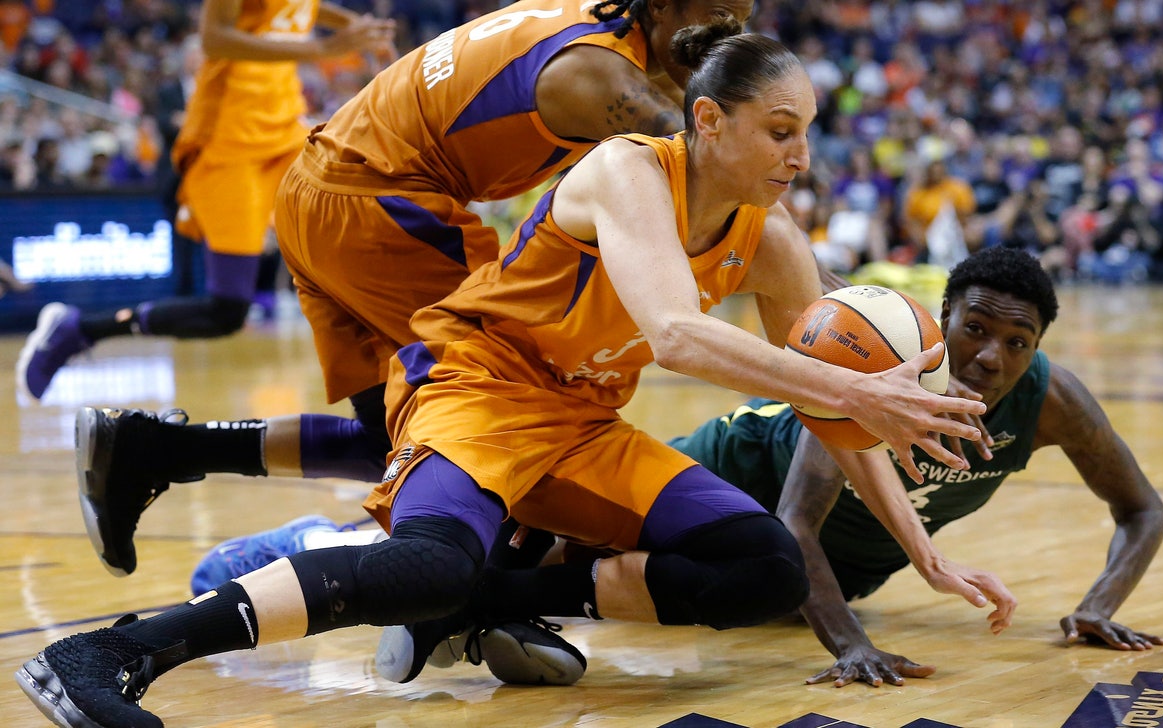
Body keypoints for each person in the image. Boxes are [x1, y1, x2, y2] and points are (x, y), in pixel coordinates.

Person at [16, 32, 998, 728]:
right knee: (423, 560)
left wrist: (922, 547)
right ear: (707, 119)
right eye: (780, 129)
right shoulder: (625, 169)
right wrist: (871, 396)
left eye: (808, 130)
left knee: (764, 565)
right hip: (477, 388)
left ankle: (485, 599)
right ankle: (111, 652)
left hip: (578, 423)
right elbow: (676, 331)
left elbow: (830, 404)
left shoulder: (773, 241)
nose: (800, 154)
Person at [199, 247, 1163, 689]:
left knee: (525, 574)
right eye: (973, 329)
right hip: (705, 487)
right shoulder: (878, 379)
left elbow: (1142, 510)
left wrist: (1101, 601)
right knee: (498, 543)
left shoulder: (1054, 401)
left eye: (1015, 341)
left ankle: (469, 613)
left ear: (1038, 346)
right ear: (941, 318)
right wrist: (847, 645)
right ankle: (304, 549)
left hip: (811, 577)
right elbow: (795, 522)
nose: (990, 357)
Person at [64, 0, 758, 582]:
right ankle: (475, 599)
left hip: (321, 185)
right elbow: (725, 177)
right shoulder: (605, 79)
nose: (717, 49)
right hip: (387, 204)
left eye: (738, 27)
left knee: (388, 437)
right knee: (507, 405)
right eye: (713, 21)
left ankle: (154, 449)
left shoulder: (600, 24)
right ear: (661, 6)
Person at [15, 0, 397, 401]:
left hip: (285, 126)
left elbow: (304, 6)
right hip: (229, 141)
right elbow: (214, 39)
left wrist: (359, 27)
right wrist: (325, 49)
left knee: (354, 229)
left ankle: (386, 407)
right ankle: (77, 331)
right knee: (227, 310)